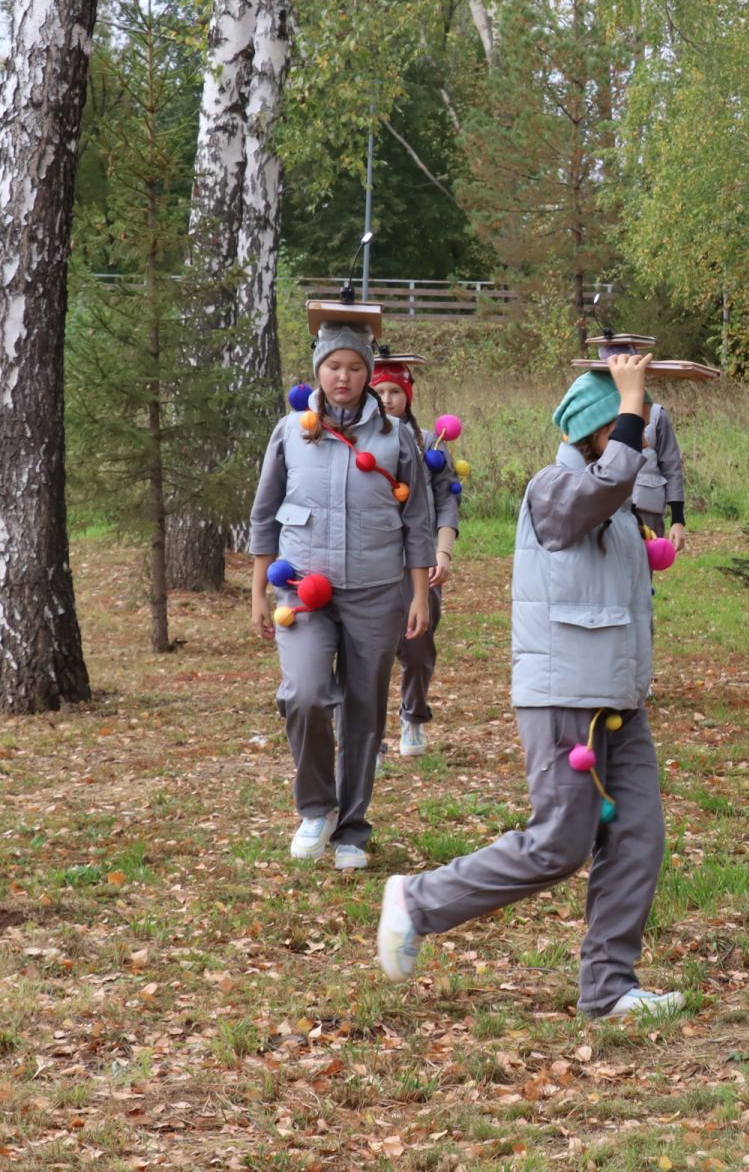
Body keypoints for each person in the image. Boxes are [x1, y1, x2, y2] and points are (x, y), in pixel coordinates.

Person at [377, 352, 683, 1021]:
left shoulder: (618, 497)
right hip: (564, 695)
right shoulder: (556, 489)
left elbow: (626, 489)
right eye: (631, 421)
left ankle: (608, 989)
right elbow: (610, 481)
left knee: (639, 836)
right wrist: (630, 400)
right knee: (558, 845)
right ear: (598, 431)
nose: (644, 430)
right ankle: (416, 901)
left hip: (617, 698)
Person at [249, 310, 434, 871]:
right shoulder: (290, 433)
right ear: (318, 371)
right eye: (333, 366)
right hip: (304, 591)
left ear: (369, 372)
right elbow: (263, 516)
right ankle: (316, 809)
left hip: (377, 592)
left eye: (355, 366)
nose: (344, 377)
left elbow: (419, 522)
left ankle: (352, 825)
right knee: (303, 695)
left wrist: (419, 594)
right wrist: (258, 590)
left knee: (362, 709)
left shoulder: (396, 436)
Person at [371, 352, 460, 758]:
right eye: (379, 391)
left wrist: (443, 551)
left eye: (394, 391)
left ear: (407, 395)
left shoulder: (430, 445)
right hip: (372, 558)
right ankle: (365, 731)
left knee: (418, 646)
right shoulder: (356, 444)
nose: (386, 399)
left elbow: (446, 503)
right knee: (368, 650)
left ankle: (413, 716)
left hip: (418, 561)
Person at [634, 391, 689, 554]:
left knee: (643, 573)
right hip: (611, 512)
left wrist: (677, 520)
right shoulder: (600, 413)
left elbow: (672, 468)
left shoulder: (657, 414)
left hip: (647, 513)